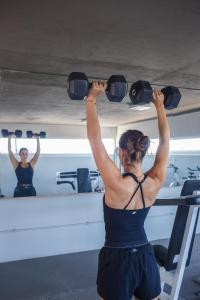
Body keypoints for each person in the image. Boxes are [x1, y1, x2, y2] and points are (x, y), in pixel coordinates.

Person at [86, 81, 170, 300]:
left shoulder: (116, 183)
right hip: (145, 255)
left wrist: (92, 98)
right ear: (143, 152)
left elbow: (95, 141)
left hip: (117, 258)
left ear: (122, 152)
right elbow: (165, 142)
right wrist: (159, 106)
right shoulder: (156, 180)